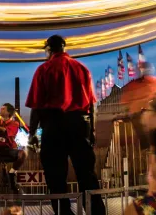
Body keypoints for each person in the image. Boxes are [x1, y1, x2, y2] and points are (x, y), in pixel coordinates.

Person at [25, 35, 104, 215]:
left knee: (56, 179)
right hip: (78, 124)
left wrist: (32, 135)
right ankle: (96, 212)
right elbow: (91, 105)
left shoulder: (43, 69)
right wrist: (91, 131)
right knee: (87, 175)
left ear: (49, 50)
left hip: (53, 126)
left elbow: (36, 106)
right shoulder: (82, 68)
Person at [0, 104, 26, 192]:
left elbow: (6, 131)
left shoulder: (14, 124)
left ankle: (12, 173)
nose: (0, 109)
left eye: (3, 109)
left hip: (10, 149)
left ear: (8, 112)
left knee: (23, 154)